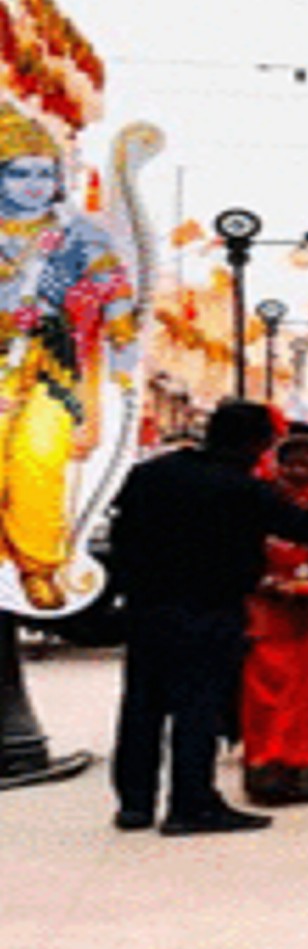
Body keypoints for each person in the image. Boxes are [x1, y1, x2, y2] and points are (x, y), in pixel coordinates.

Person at [106, 399, 308, 834]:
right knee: (197, 708)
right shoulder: (243, 488)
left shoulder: (152, 474)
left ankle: (134, 805)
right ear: (259, 444)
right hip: (210, 608)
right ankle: (191, 804)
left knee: (142, 706)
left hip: (148, 608)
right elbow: (300, 527)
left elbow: (121, 536)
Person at [0, 111, 136, 612]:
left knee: (38, 456)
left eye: (43, 173)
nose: (34, 185)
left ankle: (38, 566)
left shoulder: (77, 232)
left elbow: (113, 284)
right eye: (19, 173)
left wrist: (120, 325)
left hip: (52, 362)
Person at [240, 431, 308, 807]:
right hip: (270, 615)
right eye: (292, 463)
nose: (301, 471)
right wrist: (267, 582)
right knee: (267, 692)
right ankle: (269, 767)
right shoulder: (261, 501)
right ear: (277, 465)